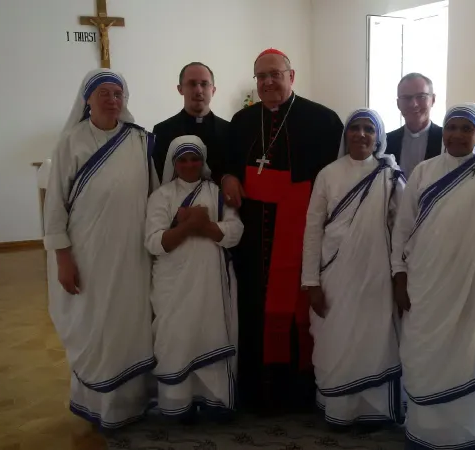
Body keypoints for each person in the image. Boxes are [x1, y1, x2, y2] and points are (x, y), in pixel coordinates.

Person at [390, 103, 475, 449]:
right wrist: (399, 275)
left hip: (473, 289)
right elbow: (402, 229)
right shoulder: (423, 172)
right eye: (452, 127)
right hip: (426, 284)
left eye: (467, 129)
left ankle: (471, 432)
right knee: (424, 355)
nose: (457, 135)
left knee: (471, 356)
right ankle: (426, 430)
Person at [220, 48, 344, 414]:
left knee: (297, 311)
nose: (268, 82)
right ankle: (257, 392)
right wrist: (228, 174)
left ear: (292, 76)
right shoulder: (242, 121)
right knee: (254, 308)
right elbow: (227, 164)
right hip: (253, 237)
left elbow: (336, 179)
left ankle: (300, 392)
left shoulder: (323, 120)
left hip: (302, 233)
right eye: (261, 77)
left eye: (275, 74)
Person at [43, 69, 159, 429]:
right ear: (87, 100)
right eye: (104, 93)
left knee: (132, 323)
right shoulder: (71, 144)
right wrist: (62, 258)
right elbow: (55, 207)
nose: (112, 100)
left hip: (133, 255)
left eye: (117, 93)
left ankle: (134, 403)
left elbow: (155, 196)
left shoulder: (139, 141)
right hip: (88, 255)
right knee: (95, 326)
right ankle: (99, 405)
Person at [301, 109, 405, 428]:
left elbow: (404, 227)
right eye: (355, 128)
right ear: (346, 135)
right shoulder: (328, 174)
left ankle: (374, 410)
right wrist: (311, 281)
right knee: (336, 338)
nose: (361, 134)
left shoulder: (389, 175)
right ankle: (339, 408)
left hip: (376, 275)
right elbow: (313, 229)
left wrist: (401, 274)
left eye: (368, 129)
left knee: (375, 339)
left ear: (378, 137)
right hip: (335, 275)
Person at [145, 135, 243, 423]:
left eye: (195, 158)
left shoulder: (216, 193)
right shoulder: (160, 196)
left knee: (211, 334)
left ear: (204, 160)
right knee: (175, 339)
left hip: (211, 284)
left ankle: (215, 401)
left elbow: (235, 232)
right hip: (172, 285)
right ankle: (177, 403)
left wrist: (200, 225)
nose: (190, 164)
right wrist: (191, 225)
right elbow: (153, 242)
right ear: (174, 163)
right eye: (183, 159)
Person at [152, 62, 230, 182]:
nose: (198, 90)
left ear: (213, 90)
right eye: (192, 84)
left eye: (204, 84)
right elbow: (158, 179)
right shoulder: (162, 131)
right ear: (180, 89)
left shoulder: (229, 130)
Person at [386, 73, 443, 179]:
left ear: (433, 100)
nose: (414, 104)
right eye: (406, 98)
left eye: (421, 97)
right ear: (398, 104)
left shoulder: (446, 140)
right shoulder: (386, 142)